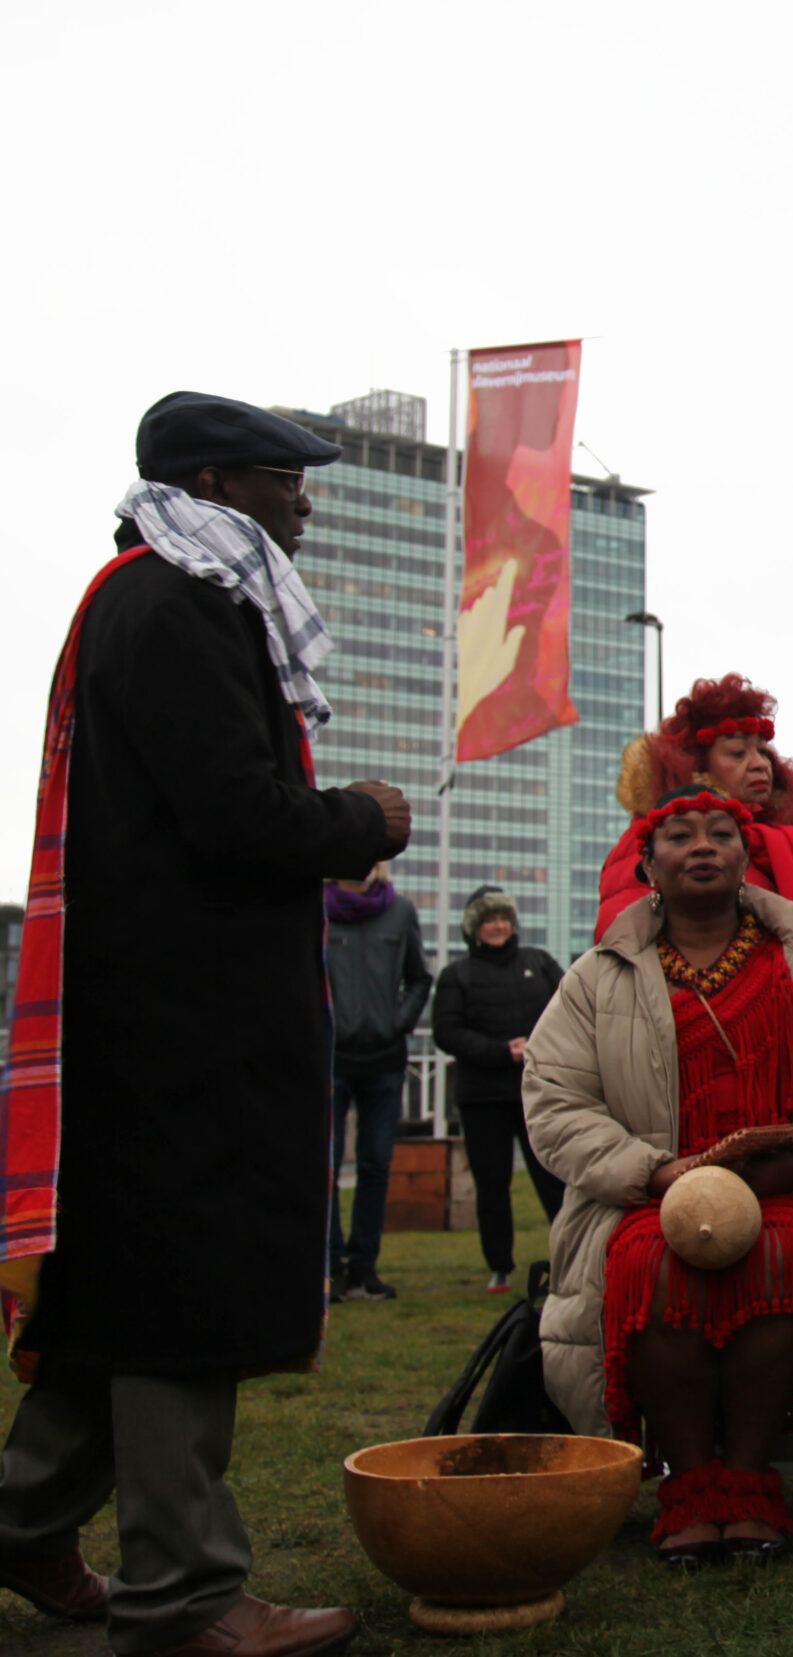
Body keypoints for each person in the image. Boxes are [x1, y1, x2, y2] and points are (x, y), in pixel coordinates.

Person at [0, 391, 407, 1654]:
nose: (307, 500)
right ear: (222, 480)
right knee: (184, 1293)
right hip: (185, 1024)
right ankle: (183, 1597)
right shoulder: (176, 603)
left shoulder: (160, 596)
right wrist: (359, 819)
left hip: (159, 1013)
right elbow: (235, 811)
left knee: (113, 1297)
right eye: (289, 478)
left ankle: (19, 1525)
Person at [525, 788, 793, 1562]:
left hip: (787, 1188)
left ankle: (748, 1477)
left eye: (722, 833)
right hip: (650, 1194)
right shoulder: (599, 974)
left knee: (786, 1255)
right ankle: (694, 1482)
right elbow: (555, 1097)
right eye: (679, 835)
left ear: (746, 854)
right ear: (648, 863)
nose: (702, 845)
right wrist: (656, 1172)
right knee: (647, 1262)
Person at [596, 674, 793, 949]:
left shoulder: (779, 842)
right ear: (696, 766)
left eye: (763, 752)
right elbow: (621, 941)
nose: (760, 764)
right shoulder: (651, 836)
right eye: (738, 753)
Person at [432, 885, 567, 1292]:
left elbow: (570, 1007)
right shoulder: (456, 975)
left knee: (555, 1179)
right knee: (492, 1185)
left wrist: (536, 1047)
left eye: (503, 918)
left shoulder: (540, 962)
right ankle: (499, 1268)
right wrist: (499, 1051)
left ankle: (572, 1256)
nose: (498, 926)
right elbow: (447, 1032)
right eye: (489, 920)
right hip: (481, 1096)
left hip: (538, 1092)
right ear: (474, 928)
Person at [325, 863, 431, 1302]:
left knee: (374, 1165)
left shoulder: (401, 910)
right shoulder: (318, 910)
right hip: (329, 1060)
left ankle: (364, 1268)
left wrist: (397, 1024)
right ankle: (329, 1271)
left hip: (385, 1060)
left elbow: (420, 978)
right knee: (325, 1167)